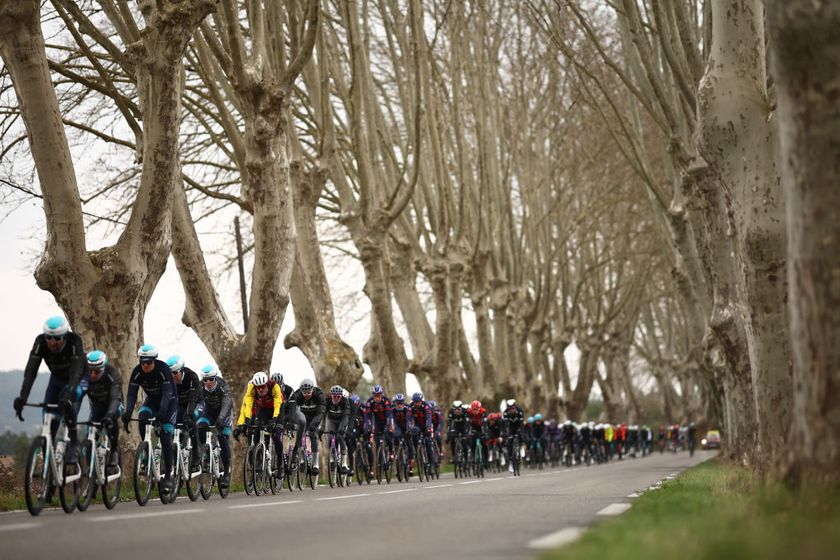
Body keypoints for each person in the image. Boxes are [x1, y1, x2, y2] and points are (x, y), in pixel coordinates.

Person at [13, 316, 86, 465]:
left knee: (69, 401)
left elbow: (76, 372)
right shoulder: (40, 342)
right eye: (49, 338)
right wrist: (22, 397)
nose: (52, 342)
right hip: (57, 379)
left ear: (65, 336)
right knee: (49, 414)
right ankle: (49, 464)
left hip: (77, 378)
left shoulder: (74, 341)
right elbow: (31, 371)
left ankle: (74, 442)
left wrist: (69, 393)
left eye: (57, 338)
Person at [123, 344, 177, 494]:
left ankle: (168, 477)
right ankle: (147, 451)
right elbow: (132, 394)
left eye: (148, 362)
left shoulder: (163, 369)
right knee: (142, 417)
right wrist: (128, 412)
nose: (145, 365)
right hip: (152, 401)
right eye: (142, 362)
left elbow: (167, 394)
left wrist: (162, 414)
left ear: (154, 360)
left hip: (169, 402)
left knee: (166, 436)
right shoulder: (137, 372)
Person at [79, 350, 123, 467]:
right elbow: (79, 394)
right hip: (97, 405)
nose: (93, 374)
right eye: (90, 371)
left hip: (113, 404)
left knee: (111, 420)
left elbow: (114, 398)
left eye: (97, 371)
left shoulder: (112, 374)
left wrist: (109, 415)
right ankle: (92, 470)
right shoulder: (86, 377)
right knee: (91, 433)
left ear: (103, 369)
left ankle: (114, 450)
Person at [234, 372, 284, 465]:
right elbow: (246, 407)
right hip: (264, 409)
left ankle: (280, 465)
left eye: (263, 387)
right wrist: (243, 423)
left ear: (266, 384)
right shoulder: (251, 389)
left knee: (276, 435)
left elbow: (278, 405)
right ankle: (257, 459)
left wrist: (274, 419)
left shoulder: (274, 387)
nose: (261, 390)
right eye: (258, 387)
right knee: (257, 427)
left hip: (278, 409)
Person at [196, 364, 233, 488]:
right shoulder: (200, 387)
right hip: (208, 413)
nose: (208, 382)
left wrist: (221, 418)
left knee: (223, 438)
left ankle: (226, 473)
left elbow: (227, 404)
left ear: (215, 378)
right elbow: (197, 405)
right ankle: (206, 453)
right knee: (200, 427)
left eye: (211, 379)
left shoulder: (223, 386)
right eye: (205, 380)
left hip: (223, 414)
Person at [166, 355, 202, 469]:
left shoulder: (192, 377)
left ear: (182, 371)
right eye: (170, 373)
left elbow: (192, 399)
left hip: (196, 402)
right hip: (180, 404)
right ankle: (176, 463)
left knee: (191, 419)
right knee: (173, 425)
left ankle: (196, 451)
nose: (173, 376)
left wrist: (189, 413)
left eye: (175, 373)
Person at [271, 372, 306, 472]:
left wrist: (290, 422)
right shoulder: (271, 391)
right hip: (278, 412)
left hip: (291, 411)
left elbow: (292, 408)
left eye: (279, 386)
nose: (277, 388)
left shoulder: (289, 390)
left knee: (300, 422)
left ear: (282, 384)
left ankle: (295, 451)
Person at [290, 378, 326, 476]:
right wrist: (291, 422)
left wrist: (314, 426)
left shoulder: (319, 395)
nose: (306, 395)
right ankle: (302, 460)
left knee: (312, 434)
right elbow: (292, 410)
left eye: (308, 392)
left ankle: (315, 464)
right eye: (304, 393)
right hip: (304, 416)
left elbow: (321, 413)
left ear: (313, 390)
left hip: (316, 416)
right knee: (300, 435)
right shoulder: (297, 395)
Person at [364, 384, 394, 469]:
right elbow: (368, 416)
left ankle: (391, 451)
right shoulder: (370, 402)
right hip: (377, 422)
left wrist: (389, 425)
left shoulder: (386, 401)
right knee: (377, 443)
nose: (377, 398)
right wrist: (368, 426)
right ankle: (380, 463)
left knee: (387, 435)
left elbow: (389, 415)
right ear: (373, 395)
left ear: (381, 395)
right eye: (375, 396)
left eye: (379, 396)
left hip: (386, 420)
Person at [324, 385, 351, 475]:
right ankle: (332, 459)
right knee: (330, 437)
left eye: (338, 397)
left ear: (341, 396)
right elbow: (323, 414)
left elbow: (346, 416)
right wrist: (321, 427)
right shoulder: (327, 401)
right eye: (334, 396)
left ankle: (344, 464)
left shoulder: (345, 401)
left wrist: (342, 428)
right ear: (331, 396)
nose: (336, 398)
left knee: (340, 436)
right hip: (332, 420)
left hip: (341, 420)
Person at [409, 392, 434, 469]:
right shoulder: (410, 406)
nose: (417, 404)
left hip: (426, 425)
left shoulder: (426, 406)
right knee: (414, 434)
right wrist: (409, 427)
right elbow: (409, 418)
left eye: (418, 402)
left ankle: (431, 464)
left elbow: (429, 418)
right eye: (415, 402)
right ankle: (417, 450)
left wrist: (428, 427)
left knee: (428, 442)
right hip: (417, 426)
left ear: (421, 400)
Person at [391, 393, 415, 470]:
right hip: (398, 426)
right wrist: (391, 427)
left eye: (401, 403)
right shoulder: (392, 409)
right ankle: (396, 450)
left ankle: (411, 459)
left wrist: (409, 429)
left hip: (406, 426)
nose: (399, 405)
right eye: (398, 403)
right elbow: (391, 420)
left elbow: (409, 420)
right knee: (395, 435)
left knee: (409, 441)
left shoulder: (407, 409)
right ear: (395, 403)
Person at [465, 400, 487, 466]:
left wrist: (485, 433)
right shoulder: (468, 412)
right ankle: (473, 456)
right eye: (473, 409)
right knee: (472, 442)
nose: (475, 411)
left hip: (481, 427)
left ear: (479, 409)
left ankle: (486, 460)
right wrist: (468, 433)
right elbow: (467, 424)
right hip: (473, 427)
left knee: (484, 443)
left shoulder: (483, 412)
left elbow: (485, 424)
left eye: (476, 409)